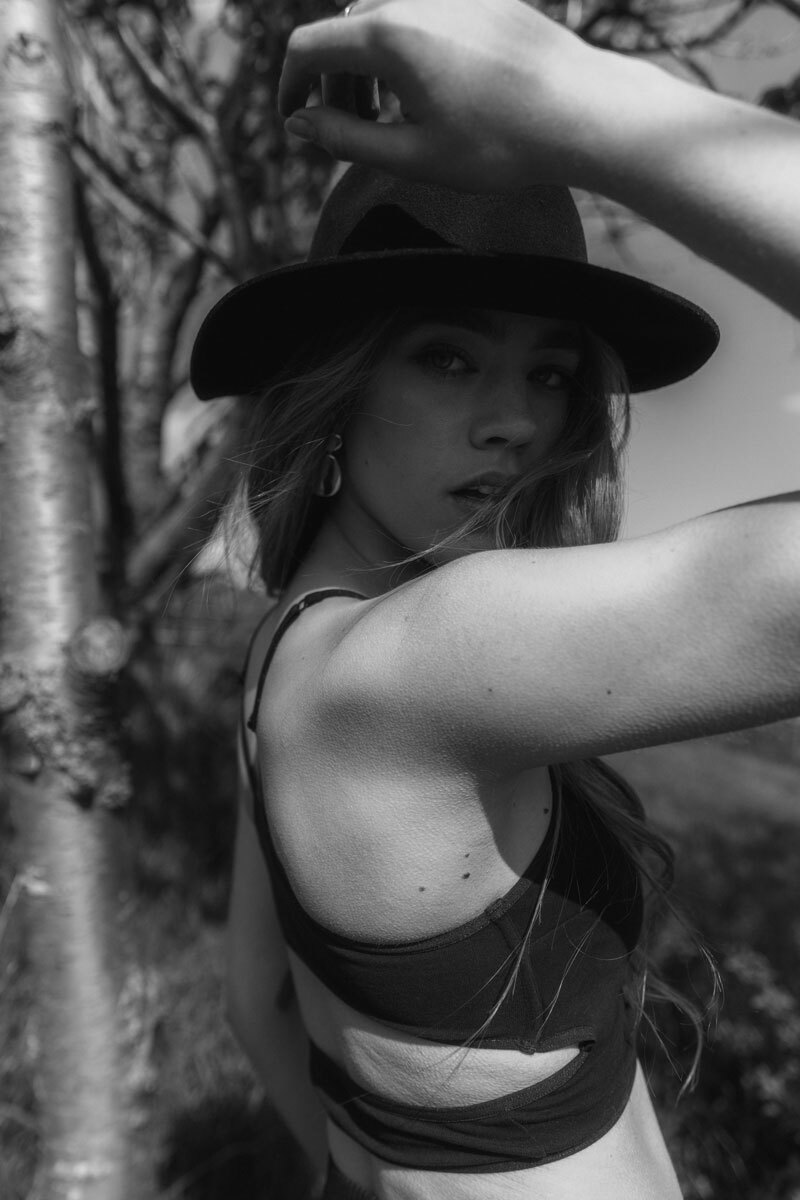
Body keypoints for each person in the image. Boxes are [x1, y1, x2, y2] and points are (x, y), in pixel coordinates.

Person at [189, 2, 800, 1197]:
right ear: (340, 378)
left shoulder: (290, 660)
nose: (516, 421)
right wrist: (577, 99)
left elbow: (255, 1000)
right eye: (450, 356)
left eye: (551, 371)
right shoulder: (426, 658)